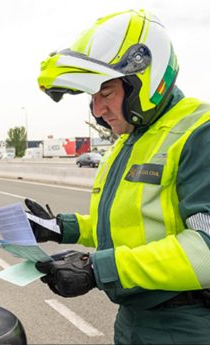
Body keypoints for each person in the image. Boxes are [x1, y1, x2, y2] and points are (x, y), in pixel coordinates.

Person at [28, 9, 210, 345]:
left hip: (185, 324)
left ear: (147, 80)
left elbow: (205, 251)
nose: (97, 109)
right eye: (92, 97)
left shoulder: (199, 132)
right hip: (133, 320)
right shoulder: (132, 138)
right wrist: (59, 227)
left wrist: (99, 269)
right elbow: (126, 224)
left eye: (106, 93)